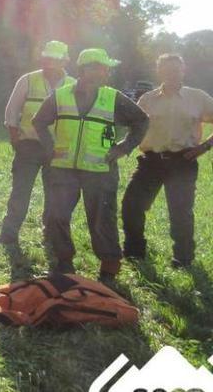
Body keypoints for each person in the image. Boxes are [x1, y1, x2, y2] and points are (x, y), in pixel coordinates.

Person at [32, 48, 148, 284]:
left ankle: (109, 268)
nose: (106, 72)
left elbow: (141, 120)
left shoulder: (113, 97)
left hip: (100, 171)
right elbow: (39, 121)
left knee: (102, 219)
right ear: (85, 69)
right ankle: (64, 261)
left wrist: (124, 147)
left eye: (106, 69)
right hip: (63, 168)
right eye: (101, 67)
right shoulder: (60, 95)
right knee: (56, 216)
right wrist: (49, 146)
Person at [122, 54, 213, 268]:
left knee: (181, 213)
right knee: (131, 206)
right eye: (166, 69)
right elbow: (136, 127)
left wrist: (204, 147)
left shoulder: (198, 97)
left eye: (176, 69)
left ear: (184, 71)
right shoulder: (147, 99)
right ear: (159, 71)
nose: (171, 73)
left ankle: (183, 259)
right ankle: (135, 252)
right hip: (151, 161)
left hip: (183, 162)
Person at [0, 40, 75, 245]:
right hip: (29, 145)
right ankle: (9, 234)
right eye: (47, 59)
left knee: (55, 194)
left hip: (58, 149)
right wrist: (15, 138)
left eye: (55, 60)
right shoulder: (28, 79)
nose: (50, 64)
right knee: (20, 191)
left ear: (65, 61)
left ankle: (50, 235)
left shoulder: (73, 85)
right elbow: (12, 110)